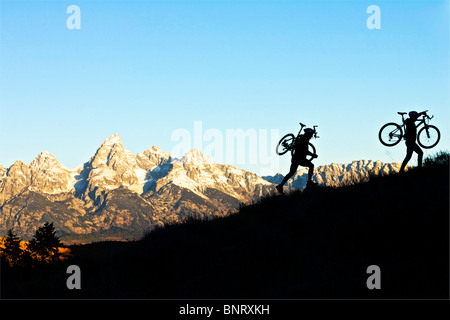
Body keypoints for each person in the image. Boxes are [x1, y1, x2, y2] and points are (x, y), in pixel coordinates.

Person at [276, 128, 318, 194]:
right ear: (308, 135)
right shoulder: (304, 140)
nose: (311, 137)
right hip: (300, 159)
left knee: (291, 173)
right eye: (310, 135)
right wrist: (313, 155)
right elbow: (305, 151)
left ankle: (280, 185)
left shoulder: (301, 139)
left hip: (295, 158)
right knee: (311, 166)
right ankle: (309, 182)